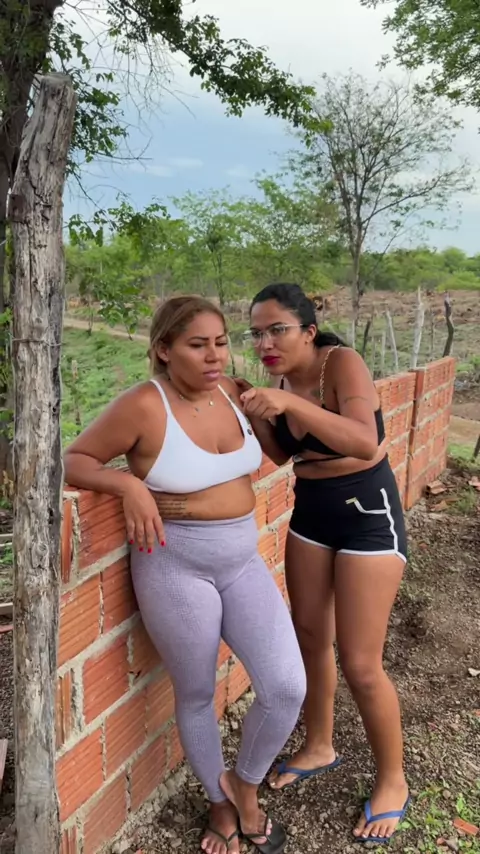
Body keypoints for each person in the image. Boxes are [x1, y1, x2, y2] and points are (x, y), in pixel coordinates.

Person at [63, 296, 306, 854]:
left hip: (241, 560)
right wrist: (128, 484)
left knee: (286, 686)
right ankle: (221, 806)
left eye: (221, 342)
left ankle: (244, 786)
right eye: (198, 345)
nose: (214, 355)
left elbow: (273, 456)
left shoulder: (233, 392)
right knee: (197, 691)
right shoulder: (143, 406)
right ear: (164, 350)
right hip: (175, 564)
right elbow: (74, 459)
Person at [235, 283, 410, 846]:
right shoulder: (282, 381)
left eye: (276, 330)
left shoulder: (341, 364)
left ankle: (394, 779)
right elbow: (284, 454)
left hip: (367, 516)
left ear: (309, 331)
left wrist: (290, 404)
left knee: (360, 662)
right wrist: (255, 410)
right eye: (256, 333)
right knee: (310, 636)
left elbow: (363, 439)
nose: (265, 342)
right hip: (311, 513)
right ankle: (319, 744)